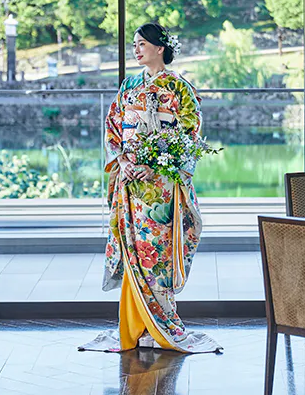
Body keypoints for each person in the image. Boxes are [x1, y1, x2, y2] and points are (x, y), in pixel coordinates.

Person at [80, 23, 221, 354]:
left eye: (142, 43)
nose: (136, 49)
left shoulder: (181, 89)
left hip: (162, 188)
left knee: (158, 255)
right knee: (134, 249)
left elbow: (189, 137)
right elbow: (113, 128)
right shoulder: (128, 87)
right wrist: (124, 161)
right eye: (134, 44)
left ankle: (162, 322)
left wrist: (155, 166)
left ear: (160, 48)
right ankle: (134, 325)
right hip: (131, 186)